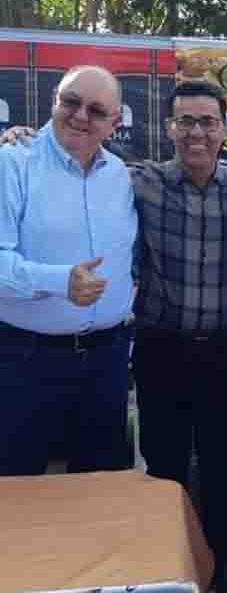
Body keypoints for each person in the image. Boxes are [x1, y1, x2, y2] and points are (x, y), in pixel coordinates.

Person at [129, 80, 227, 593]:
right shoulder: (141, 182)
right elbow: (83, 165)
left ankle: (225, 564)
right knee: (164, 468)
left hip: (223, 348)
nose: (196, 132)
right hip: (161, 347)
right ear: (169, 128)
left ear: (224, 130)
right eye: (186, 121)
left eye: (207, 121)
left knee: (223, 464)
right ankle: (168, 568)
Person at [0, 65, 137, 476]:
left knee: (98, 495)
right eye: (71, 102)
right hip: (26, 361)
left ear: (114, 123)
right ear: (53, 101)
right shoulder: (12, 162)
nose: (80, 116)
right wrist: (60, 282)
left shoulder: (122, 176)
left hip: (107, 360)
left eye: (96, 111)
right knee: (17, 494)